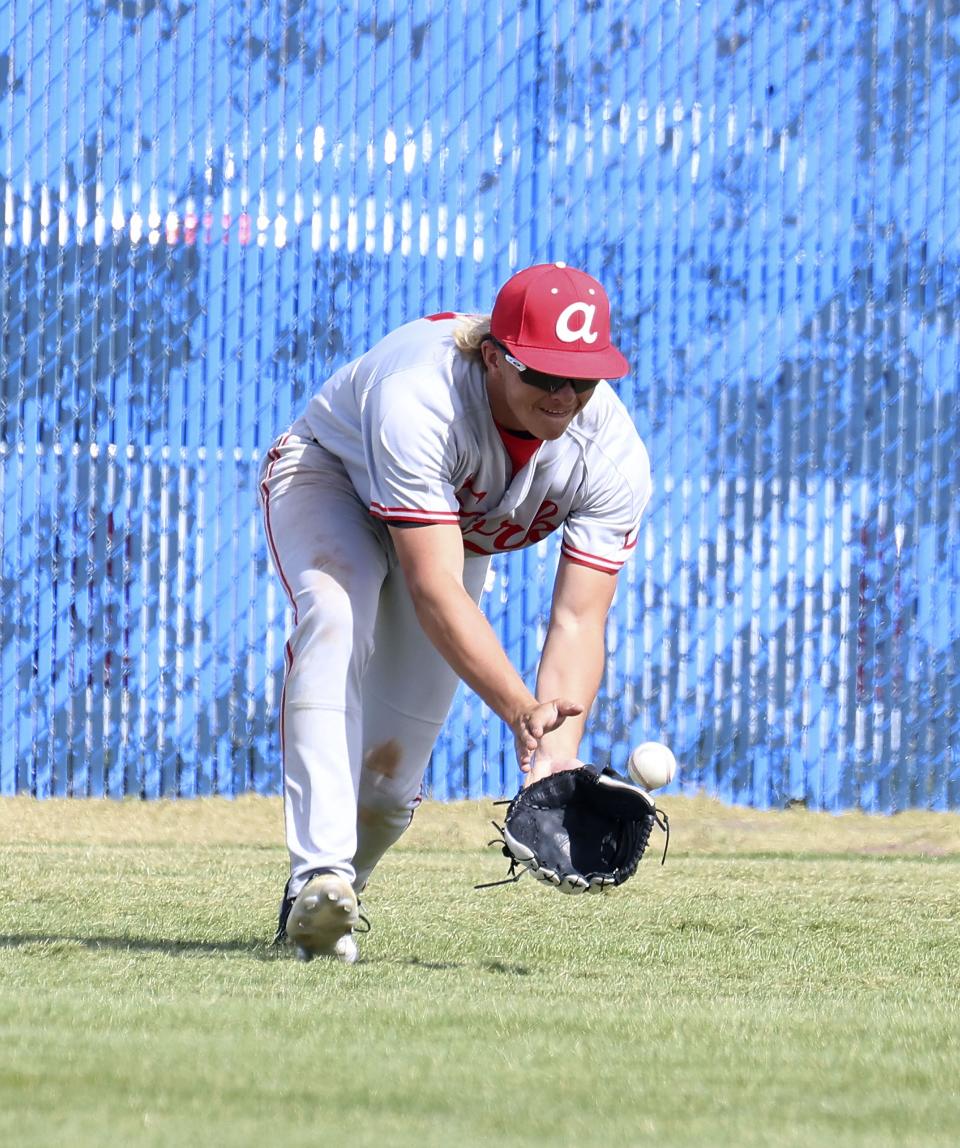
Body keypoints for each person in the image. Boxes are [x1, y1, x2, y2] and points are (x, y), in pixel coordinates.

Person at [258, 262, 651, 962]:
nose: (563, 395)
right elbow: (434, 587)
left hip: (447, 530)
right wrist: (516, 708)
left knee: (388, 783)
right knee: (335, 619)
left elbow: (579, 621)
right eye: (542, 374)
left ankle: (327, 906)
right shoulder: (422, 395)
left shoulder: (611, 455)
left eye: (583, 378)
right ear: (495, 357)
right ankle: (318, 866)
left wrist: (551, 760)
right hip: (332, 481)